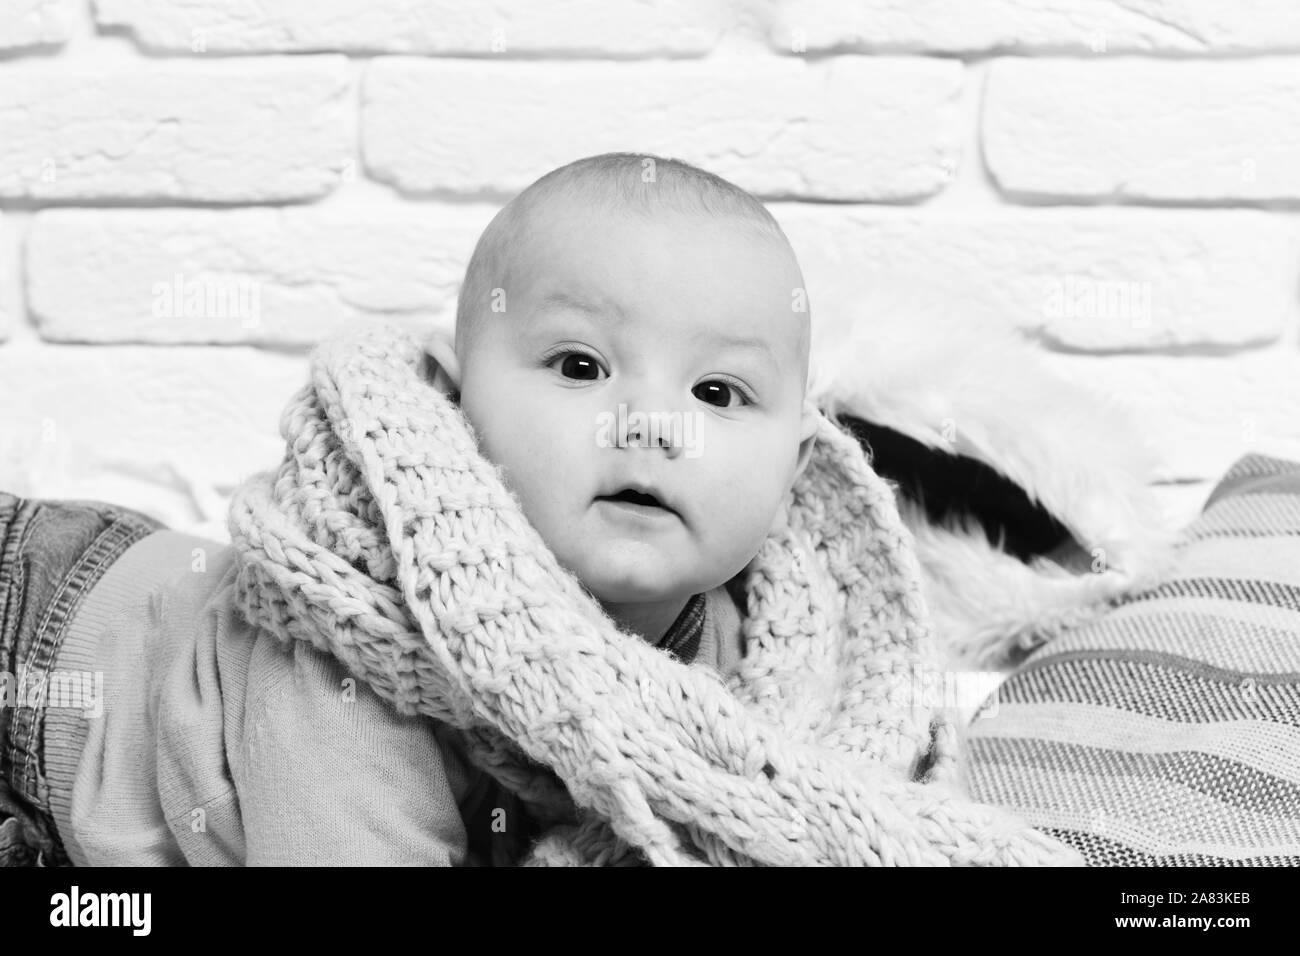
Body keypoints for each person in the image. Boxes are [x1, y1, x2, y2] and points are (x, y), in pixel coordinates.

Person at [0, 152, 824, 866]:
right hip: (42, 642)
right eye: (579, 366)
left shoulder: (763, 652)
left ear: (797, 458)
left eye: (718, 391)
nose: (651, 423)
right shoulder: (360, 643)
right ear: (451, 398)